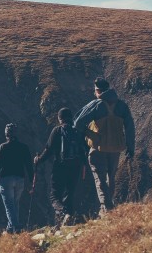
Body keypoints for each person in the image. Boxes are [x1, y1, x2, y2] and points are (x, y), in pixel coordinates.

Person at [74, 77, 135, 217]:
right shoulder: (122, 106)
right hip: (116, 149)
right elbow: (130, 128)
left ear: (98, 90)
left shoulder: (96, 105)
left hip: (98, 148)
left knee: (99, 178)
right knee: (111, 177)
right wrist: (130, 147)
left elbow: (78, 123)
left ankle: (106, 208)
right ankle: (109, 206)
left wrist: (91, 135)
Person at [35, 108, 87, 228]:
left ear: (60, 118)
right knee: (69, 194)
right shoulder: (77, 131)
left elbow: (48, 150)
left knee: (54, 196)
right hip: (75, 167)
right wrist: (84, 163)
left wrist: (38, 160)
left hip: (60, 167)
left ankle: (62, 212)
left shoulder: (57, 130)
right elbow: (83, 149)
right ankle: (69, 219)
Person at [0, 123, 34, 233]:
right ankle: (10, 229)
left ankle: (15, 227)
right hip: (20, 179)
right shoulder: (24, 147)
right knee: (15, 204)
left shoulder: (3, 147)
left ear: (6, 134)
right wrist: (32, 180)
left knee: (9, 205)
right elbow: (29, 165)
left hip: (6, 179)